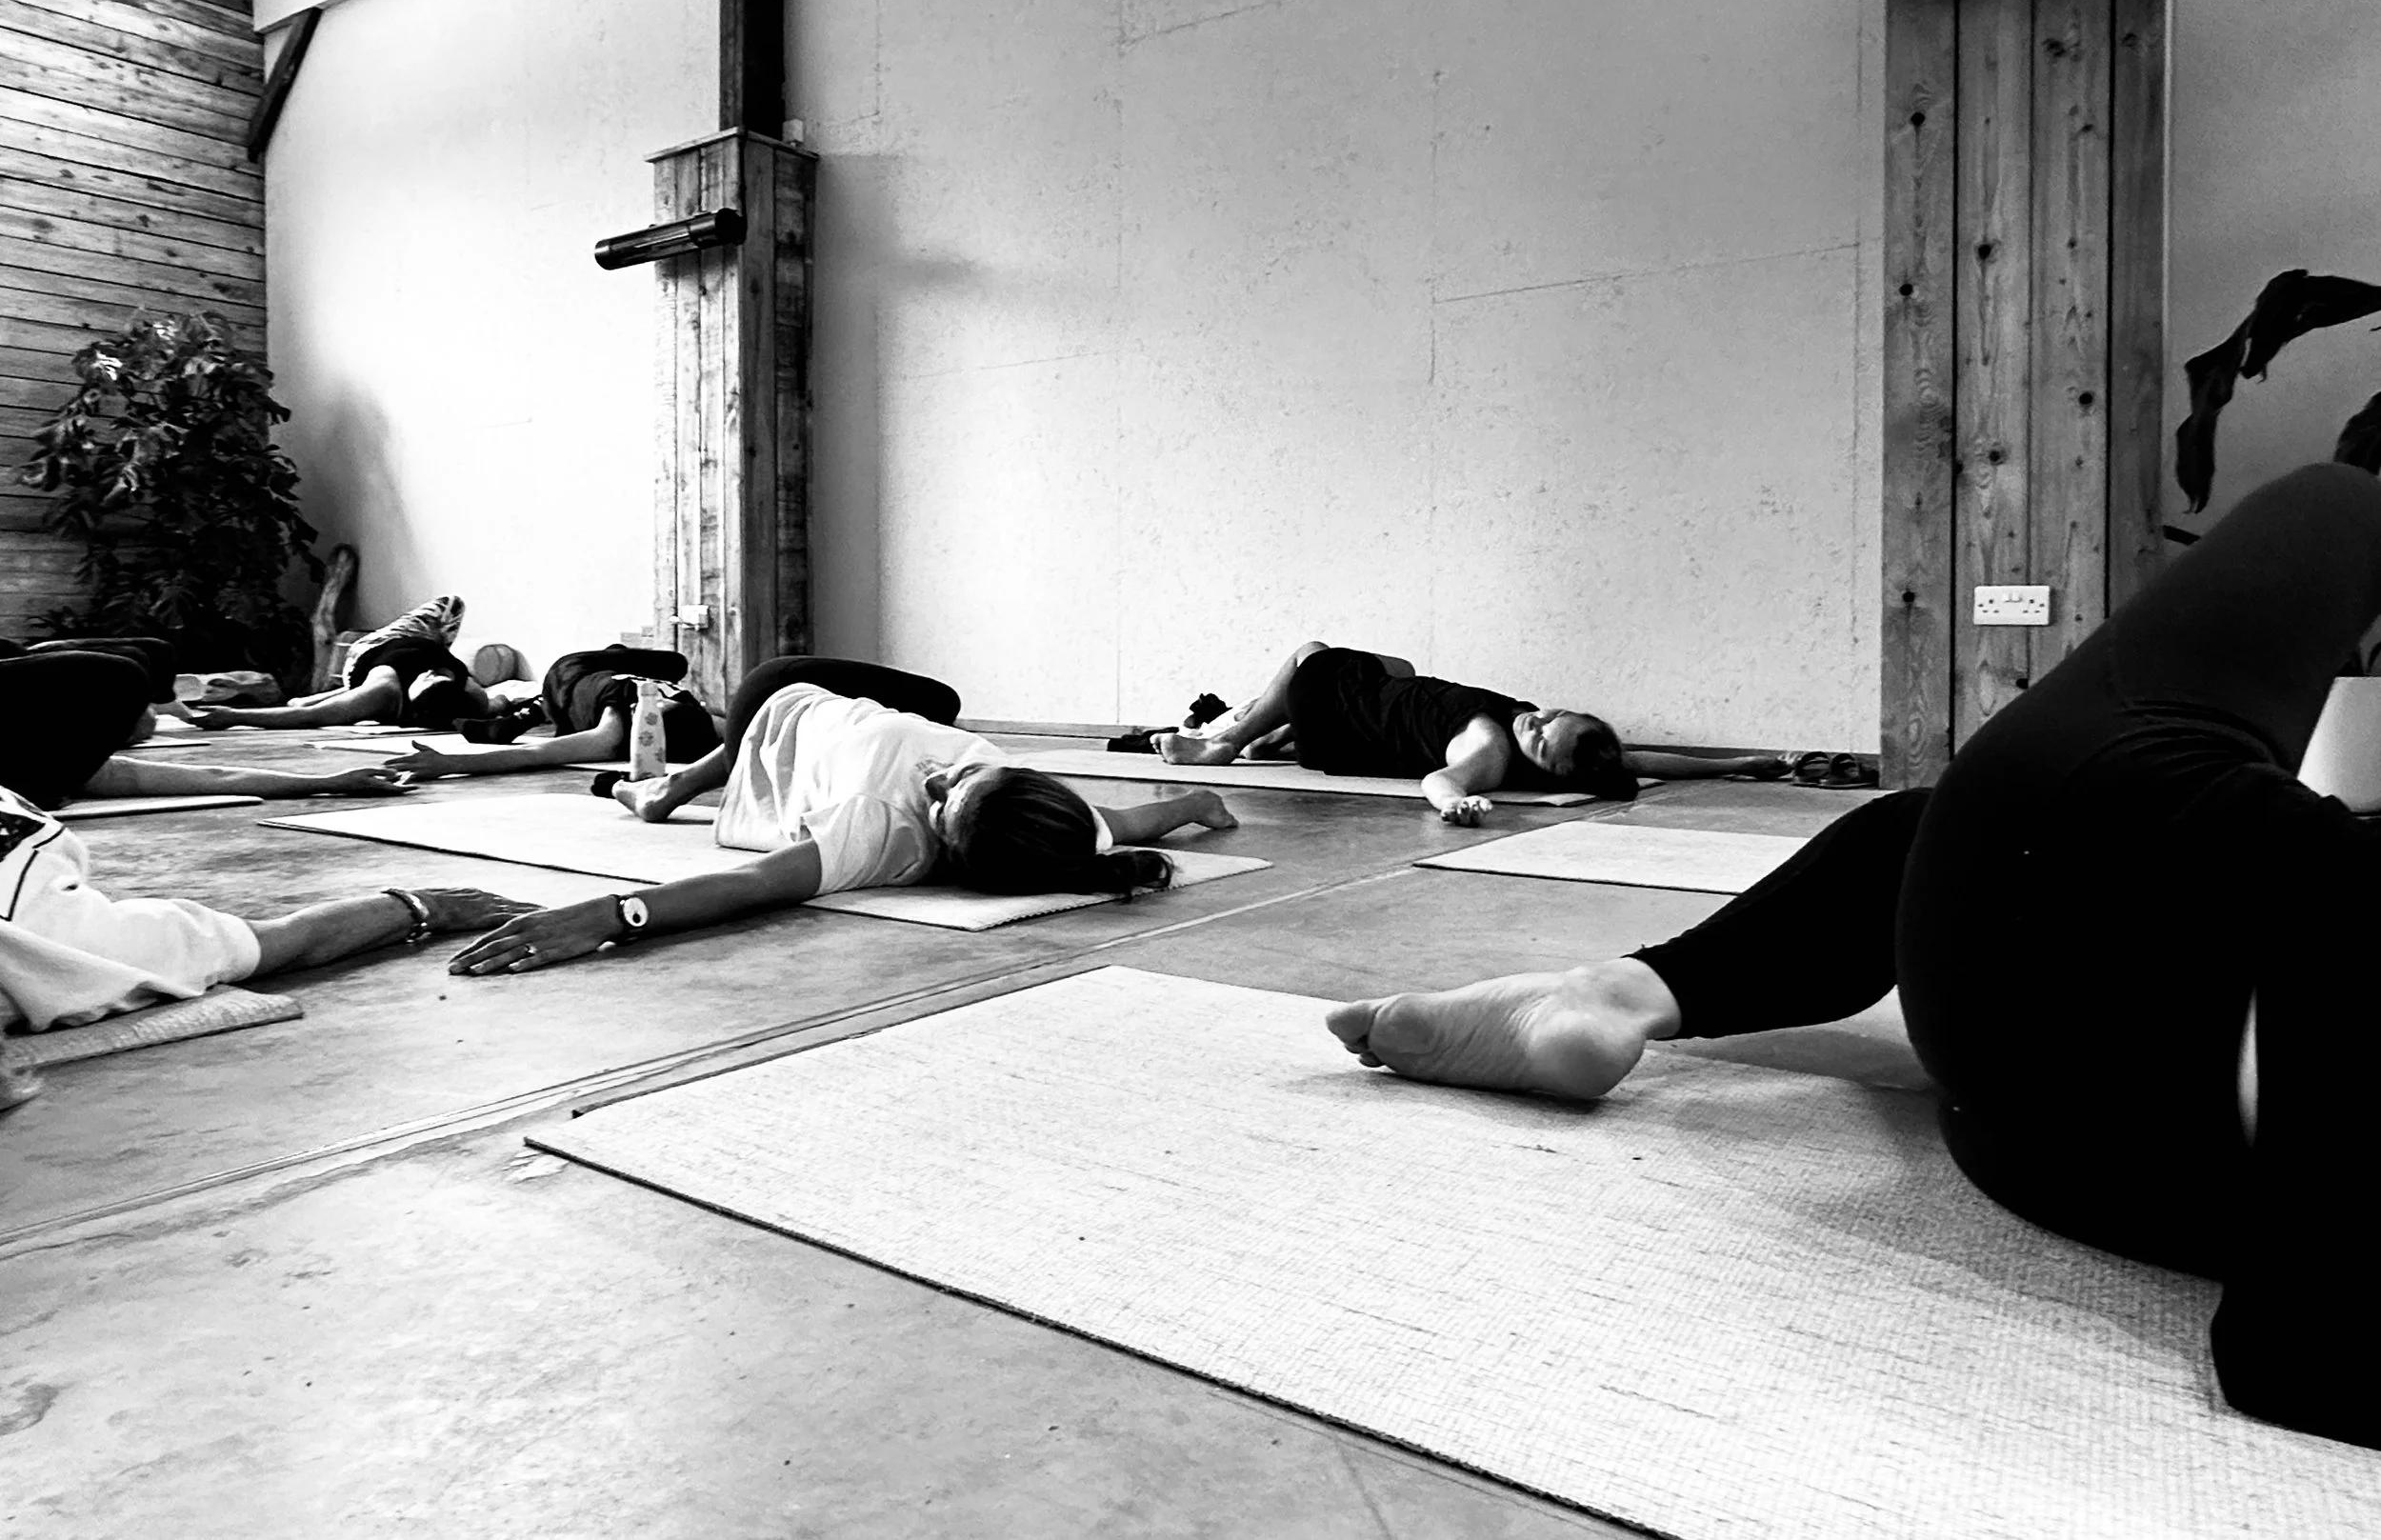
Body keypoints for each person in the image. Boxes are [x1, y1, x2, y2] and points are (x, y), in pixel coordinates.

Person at [1319, 462, 2381, 1451]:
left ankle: (1623, 995)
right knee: (1936, 824)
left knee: (2338, 503)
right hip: (2069, 1153)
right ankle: (1627, 991)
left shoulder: (1444, 718)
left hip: (2065, 946)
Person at [447, 657, 1240, 976]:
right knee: (942, 708)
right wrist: (1201, 803)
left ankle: (663, 790)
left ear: (947, 853)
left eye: (942, 799)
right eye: (964, 776)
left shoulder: (873, 830)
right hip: (853, 709)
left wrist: (612, 912)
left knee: (765, 721)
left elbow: (753, 883)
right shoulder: (1057, 823)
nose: (938, 778)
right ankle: (662, 787)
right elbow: (1142, 819)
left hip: (779, 706)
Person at [0, 779, 534, 1109]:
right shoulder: (63, 946)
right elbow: (284, 939)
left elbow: (285, 939)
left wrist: (424, 905)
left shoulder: (59, 941)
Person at [1157, 641, 1788, 824]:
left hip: (1339, 714)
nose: (1532, 721)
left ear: (1548, 771)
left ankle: (1226, 742)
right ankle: (1272, 735)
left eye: (1541, 738)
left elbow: (1441, 779)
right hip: (1374, 710)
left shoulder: (1487, 751)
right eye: (1550, 714)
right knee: (1396, 665)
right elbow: (1639, 760)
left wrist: (1456, 802)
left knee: (1310, 653)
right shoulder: (1557, 750)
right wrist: (1737, 764)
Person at [0, 646, 414, 811]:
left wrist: (326, 781)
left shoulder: (59, 765)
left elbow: (217, 777)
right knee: (125, 668)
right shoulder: (48, 768)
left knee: (129, 665)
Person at [378, 645, 723, 780]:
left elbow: (537, 753)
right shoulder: (700, 718)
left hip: (569, 676)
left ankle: (526, 714)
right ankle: (524, 715)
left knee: (673, 663)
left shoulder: (612, 732)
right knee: (674, 664)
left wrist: (453, 764)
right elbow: (745, 730)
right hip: (591, 677)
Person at [187, 594, 505, 731]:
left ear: (412, 697)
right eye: (440, 676)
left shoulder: (383, 692)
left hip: (373, 651)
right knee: (455, 608)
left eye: (427, 679)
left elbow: (306, 716)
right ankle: (332, 691)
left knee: (449, 605)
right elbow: (501, 702)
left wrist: (237, 717)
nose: (431, 672)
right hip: (425, 644)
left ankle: (345, 687)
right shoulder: (471, 698)